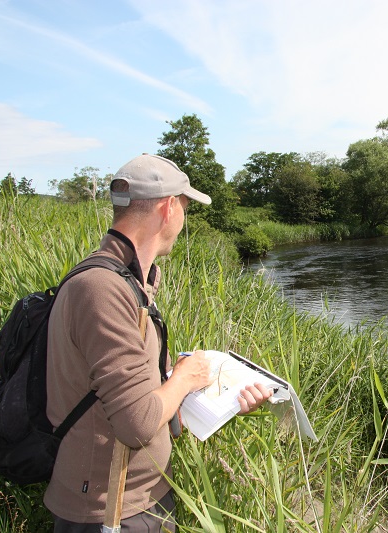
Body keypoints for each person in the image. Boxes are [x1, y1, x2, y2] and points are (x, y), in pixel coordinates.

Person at [44, 153, 273, 532]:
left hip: (140, 498)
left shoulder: (130, 282)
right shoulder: (102, 289)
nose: (183, 219)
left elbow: (144, 395)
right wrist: (183, 377)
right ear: (168, 209)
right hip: (110, 511)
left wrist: (227, 398)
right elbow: (137, 423)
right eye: (184, 207)